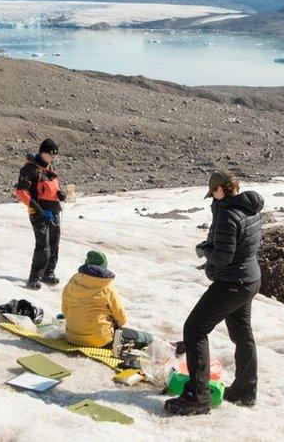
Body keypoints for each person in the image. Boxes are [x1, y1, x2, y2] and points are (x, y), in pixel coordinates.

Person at [165, 169, 264, 416]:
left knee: (195, 329)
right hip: (250, 278)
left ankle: (197, 397)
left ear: (221, 189)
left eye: (213, 193)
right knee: (242, 333)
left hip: (232, 282)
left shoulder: (228, 215)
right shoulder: (250, 209)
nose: (213, 198)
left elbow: (222, 257)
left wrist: (205, 250)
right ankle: (245, 391)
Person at [61, 250, 153, 350]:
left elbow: (65, 309)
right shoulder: (106, 286)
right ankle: (155, 341)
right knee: (139, 337)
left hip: (72, 337)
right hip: (100, 340)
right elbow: (121, 317)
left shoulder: (73, 281)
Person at [14, 138, 65, 289]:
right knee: (43, 246)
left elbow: (51, 187)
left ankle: (49, 273)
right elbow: (20, 191)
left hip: (53, 210)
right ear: (42, 152)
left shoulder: (48, 167)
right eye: (51, 153)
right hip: (39, 211)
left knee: (54, 244)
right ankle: (34, 277)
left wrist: (60, 194)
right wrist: (34, 206)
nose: (53, 156)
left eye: (55, 154)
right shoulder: (30, 169)